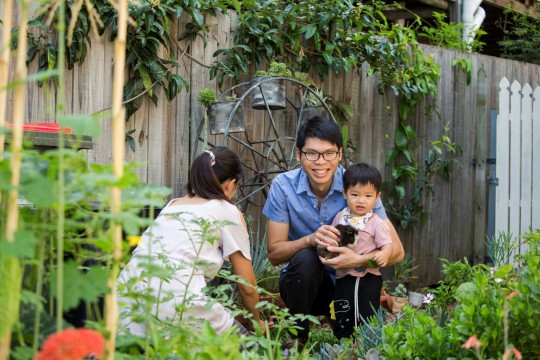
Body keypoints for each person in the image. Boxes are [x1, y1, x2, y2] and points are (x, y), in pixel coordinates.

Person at [263, 115, 404, 346]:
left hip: (347, 285)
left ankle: (347, 332)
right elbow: (274, 254)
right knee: (307, 258)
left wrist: (357, 260)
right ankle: (296, 338)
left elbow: (397, 252)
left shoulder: (359, 189)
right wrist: (308, 239)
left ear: (339, 154)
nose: (321, 162)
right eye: (311, 153)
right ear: (299, 154)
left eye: (329, 153)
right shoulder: (283, 186)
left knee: (352, 341)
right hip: (300, 287)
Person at [117, 146, 266, 337]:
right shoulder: (227, 211)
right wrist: (257, 322)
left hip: (127, 297)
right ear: (231, 185)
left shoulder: (171, 206)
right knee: (246, 348)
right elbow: (247, 286)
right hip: (177, 299)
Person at [330, 162, 393, 339]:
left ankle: (367, 342)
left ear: (377, 197)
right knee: (343, 309)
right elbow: (333, 239)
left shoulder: (375, 222)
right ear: (345, 193)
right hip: (343, 276)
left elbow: (387, 245)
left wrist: (384, 253)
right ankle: (343, 343)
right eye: (355, 194)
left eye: (368, 195)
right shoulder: (340, 217)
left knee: (366, 311)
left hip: (368, 277)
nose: (361, 200)